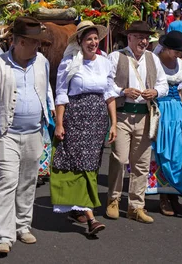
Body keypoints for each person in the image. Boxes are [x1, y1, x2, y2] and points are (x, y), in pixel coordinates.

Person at [0, 17, 54, 255]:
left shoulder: (41, 61)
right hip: (6, 133)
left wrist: (48, 115)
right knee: (7, 182)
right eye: (33, 43)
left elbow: (45, 87)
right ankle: (4, 236)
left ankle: (23, 225)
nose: (37, 47)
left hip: (34, 132)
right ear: (19, 42)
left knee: (29, 182)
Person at [50, 21, 116, 235]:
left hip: (97, 120)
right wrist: (59, 123)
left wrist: (113, 123)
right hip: (75, 117)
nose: (94, 42)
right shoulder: (69, 63)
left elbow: (109, 94)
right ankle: (90, 217)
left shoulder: (105, 62)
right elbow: (61, 94)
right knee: (80, 164)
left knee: (92, 164)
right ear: (80, 41)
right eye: (89, 39)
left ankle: (79, 205)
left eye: (96, 38)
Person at [105, 21, 169, 224]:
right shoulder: (116, 57)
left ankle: (136, 205)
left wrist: (156, 92)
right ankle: (113, 199)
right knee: (119, 158)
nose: (144, 41)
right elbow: (106, 83)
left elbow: (163, 84)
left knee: (141, 163)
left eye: (146, 38)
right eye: (139, 37)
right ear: (129, 38)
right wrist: (122, 91)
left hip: (144, 116)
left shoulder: (152, 59)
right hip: (123, 114)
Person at [149, 31, 182, 216]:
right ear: (166, 48)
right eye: (177, 50)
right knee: (161, 153)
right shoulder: (153, 61)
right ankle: (163, 196)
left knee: (181, 151)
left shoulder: (181, 63)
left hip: (177, 109)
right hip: (159, 108)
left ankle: (176, 193)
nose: (180, 54)